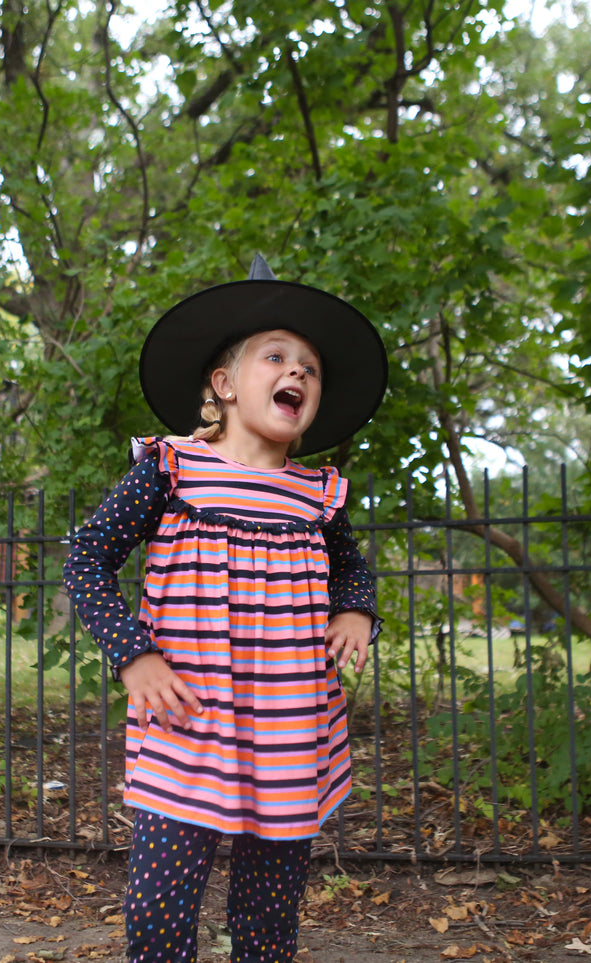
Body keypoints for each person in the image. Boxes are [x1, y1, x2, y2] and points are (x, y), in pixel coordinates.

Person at [63, 255, 387, 963]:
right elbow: (86, 558)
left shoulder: (318, 495)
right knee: (158, 911)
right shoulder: (171, 468)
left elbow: (353, 569)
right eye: (276, 357)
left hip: (289, 729)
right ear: (224, 385)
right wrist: (133, 654)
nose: (297, 371)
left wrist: (356, 610)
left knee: (268, 921)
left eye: (309, 367)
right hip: (188, 724)